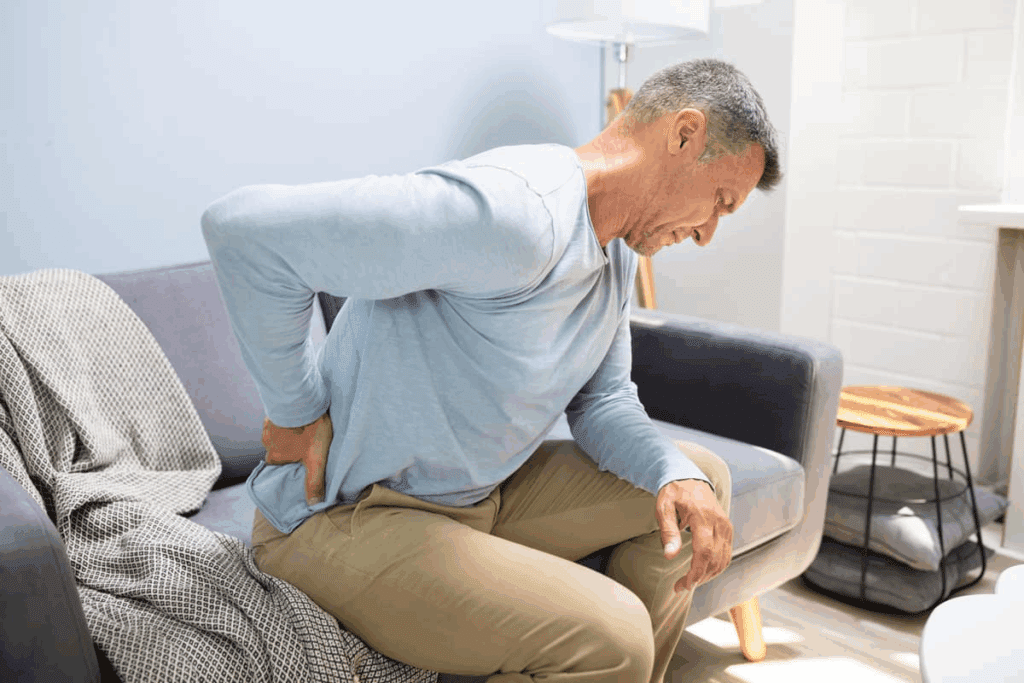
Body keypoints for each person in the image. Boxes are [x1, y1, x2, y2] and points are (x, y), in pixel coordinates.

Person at [201, 57, 781, 683]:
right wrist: (295, 411)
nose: (707, 234)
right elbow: (244, 233)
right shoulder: (515, 211)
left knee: (700, 483)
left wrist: (673, 476)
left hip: (474, 500)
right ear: (684, 134)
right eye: (720, 201)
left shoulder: (614, 254)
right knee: (614, 639)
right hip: (345, 516)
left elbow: (603, 403)